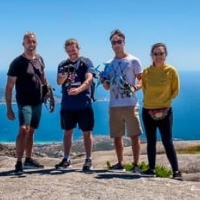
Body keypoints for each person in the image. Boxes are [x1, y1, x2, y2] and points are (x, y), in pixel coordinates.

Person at [4, 31, 54, 174]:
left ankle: (29, 159)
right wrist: (9, 108)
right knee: (24, 129)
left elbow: (43, 77)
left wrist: (48, 92)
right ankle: (19, 163)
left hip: (38, 101)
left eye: (33, 42)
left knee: (32, 130)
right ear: (23, 44)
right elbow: (9, 87)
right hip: (24, 102)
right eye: (28, 42)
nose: (31, 44)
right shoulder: (17, 63)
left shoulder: (39, 59)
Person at [100, 28, 142, 172]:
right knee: (117, 136)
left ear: (124, 42)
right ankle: (120, 163)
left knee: (134, 136)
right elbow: (106, 87)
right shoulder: (108, 63)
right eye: (114, 42)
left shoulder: (134, 61)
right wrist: (103, 80)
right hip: (114, 105)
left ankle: (136, 165)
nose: (116, 44)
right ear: (111, 45)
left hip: (130, 104)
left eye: (119, 41)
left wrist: (134, 88)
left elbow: (142, 81)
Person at [140, 42, 181, 179]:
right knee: (150, 141)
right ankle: (151, 169)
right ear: (151, 55)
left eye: (161, 53)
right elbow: (145, 88)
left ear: (166, 55)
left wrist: (164, 102)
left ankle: (176, 171)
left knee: (167, 141)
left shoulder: (171, 71)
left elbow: (175, 91)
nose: (158, 56)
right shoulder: (146, 72)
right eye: (155, 53)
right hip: (148, 111)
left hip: (165, 111)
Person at [55, 38, 96, 172]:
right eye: (69, 50)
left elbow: (89, 78)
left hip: (83, 103)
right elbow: (59, 81)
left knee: (86, 132)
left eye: (73, 49)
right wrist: (65, 74)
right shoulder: (62, 64)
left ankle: (88, 159)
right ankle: (66, 159)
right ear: (66, 51)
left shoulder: (85, 62)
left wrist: (78, 90)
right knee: (67, 132)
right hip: (67, 105)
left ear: (78, 48)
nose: (71, 52)